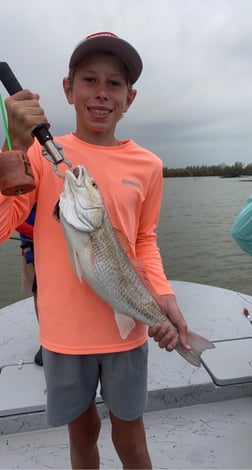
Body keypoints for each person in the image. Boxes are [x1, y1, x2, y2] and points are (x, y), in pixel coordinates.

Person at [0, 32, 191, 469]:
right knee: (82, 436)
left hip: (127, 332)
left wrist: (164, 298)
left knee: (131, 440)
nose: (101, 94)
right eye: (89, 80)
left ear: (131, 97)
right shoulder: (38, 153)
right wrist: (11, 146)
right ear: (68, 90)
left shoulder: (149, 165)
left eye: (115, 84)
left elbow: (145, 240)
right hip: (63, 337)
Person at [15, 203, 43, 366]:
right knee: (39, 294)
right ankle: (45, 342)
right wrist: (37, 234)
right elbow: (16, 220)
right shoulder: (20, 185)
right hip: (32, 249)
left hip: (57, 247)